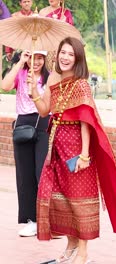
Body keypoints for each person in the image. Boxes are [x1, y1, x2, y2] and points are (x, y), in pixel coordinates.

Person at [30, 37, 116, 264]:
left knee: (79, 201)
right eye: (63, 52)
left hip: (76, 150)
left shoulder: (81, 84)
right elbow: (44, 111)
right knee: (59, 200)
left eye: (70, 54)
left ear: (77, 58)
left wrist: (84, 155)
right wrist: (34, 90)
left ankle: (83, 255)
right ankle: (70, 248)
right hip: (56, 147)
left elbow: (86, 122)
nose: (65, 57)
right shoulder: (52, 78)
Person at [2, 50, 50, 238]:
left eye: (39, 58)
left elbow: (50, 105)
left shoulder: (50, 77)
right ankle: (32, 220)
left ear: (45, 59)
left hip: (44, 122)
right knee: (25, 174)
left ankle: (47, 219)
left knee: (42, 173)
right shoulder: (21, 73)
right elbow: (4, 86)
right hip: (23, 124)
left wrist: (35, 90)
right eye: (32, 57)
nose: (35, 62)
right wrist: (20, 62)